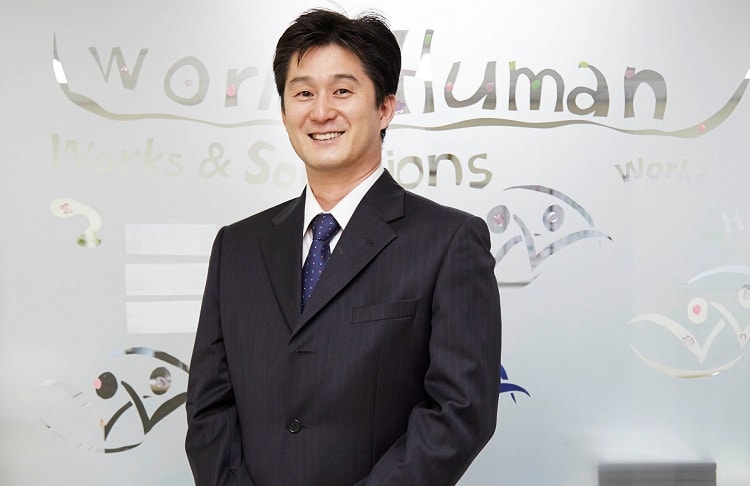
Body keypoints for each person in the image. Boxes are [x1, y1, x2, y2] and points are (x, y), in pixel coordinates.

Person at [185, 8, 502, 485]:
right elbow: (209, 408)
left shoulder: (449, 241)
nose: (320, 112)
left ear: (384, 108)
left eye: (342, 91)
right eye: (303, 93)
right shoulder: (237, 247)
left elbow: (459, 411)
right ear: (284, 112)